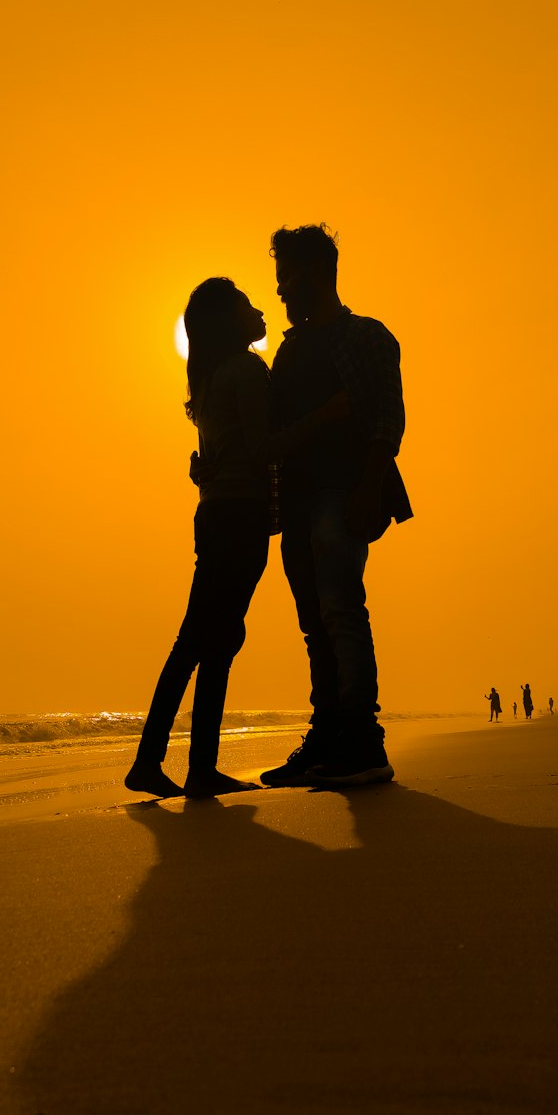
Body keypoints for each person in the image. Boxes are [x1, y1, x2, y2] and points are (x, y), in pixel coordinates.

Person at [126, 277, 346, 799]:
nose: (261, 310)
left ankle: (186, 764)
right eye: (248, 304)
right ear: (231, 320)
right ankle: (169, 762)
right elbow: (264, 445)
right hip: (238, 516)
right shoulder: (246, 370)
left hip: (218, 514)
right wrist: (326, 415)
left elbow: (221, 453)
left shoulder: (208, 378)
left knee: (211, 639)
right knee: (205, 641)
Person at [259, 224, 412, 788]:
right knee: (313, 624)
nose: (280, 293)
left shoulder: (367, 337)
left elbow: (385, 425)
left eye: (287, 280)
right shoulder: (290, 350)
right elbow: (275, 430)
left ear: (316, 275)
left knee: (342, 611)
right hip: (298, 501)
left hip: (341, 493)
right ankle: (326, 739)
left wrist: (369, 490)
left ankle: (363, 742)